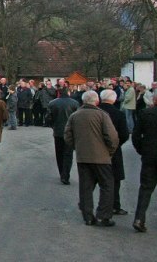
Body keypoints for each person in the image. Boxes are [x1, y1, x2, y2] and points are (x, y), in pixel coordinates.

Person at [64, 90, 119, 227]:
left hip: (83, 156)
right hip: (101, 157)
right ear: (97, 101)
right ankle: (103, 215)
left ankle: (88, 216)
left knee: (85, 187)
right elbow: (112, 137)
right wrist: (110, 151)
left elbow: (67, 136)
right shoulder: (102, 115)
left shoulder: (75, 116)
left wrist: (78, 147)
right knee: (107, 185)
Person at [131, 88, 157, 233]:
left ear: (155, 100)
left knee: (146, 188)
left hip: (150, 155)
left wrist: (141, 150)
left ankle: (139, 218)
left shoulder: (145, 113)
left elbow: (136, 136)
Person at [98, 89, 130, 215]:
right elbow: (124, 134)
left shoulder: (96, 112)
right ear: (114, 99)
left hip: (97, 150)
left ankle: (94, 206)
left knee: (96, 180)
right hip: (114, 151)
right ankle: (115, 205)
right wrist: (116, 144)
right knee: (115, 180)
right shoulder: (118, 114)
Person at [48, 88, 79, 185]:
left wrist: (53, 126)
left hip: (58, 131)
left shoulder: (52, 103)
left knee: (59, 153)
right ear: (68, 93)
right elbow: (77, 118)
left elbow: (48, 117)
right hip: (70, 132)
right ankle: (66, 175)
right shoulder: (75, 103)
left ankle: (62, 172)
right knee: (68, 154)